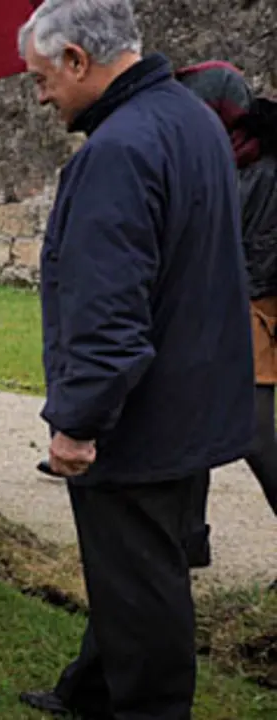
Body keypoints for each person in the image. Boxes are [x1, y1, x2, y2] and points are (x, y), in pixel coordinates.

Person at [13, 1, 255, 717]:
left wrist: (79, 422)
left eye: (41, 77)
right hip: (191, 399)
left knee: (145, 585)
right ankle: (88, 691)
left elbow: (107, 311)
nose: (41, 95)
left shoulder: (117, 150)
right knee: (139, 567)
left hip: (143, 418)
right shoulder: (188, 118)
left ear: (77, 61)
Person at [173, 61, 277, 570]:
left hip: (256, 310)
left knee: (255, 435)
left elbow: (262, 256)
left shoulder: (266, 168)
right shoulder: (225, 164)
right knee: (194, 421)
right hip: (222, 309)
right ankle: (191, 540)